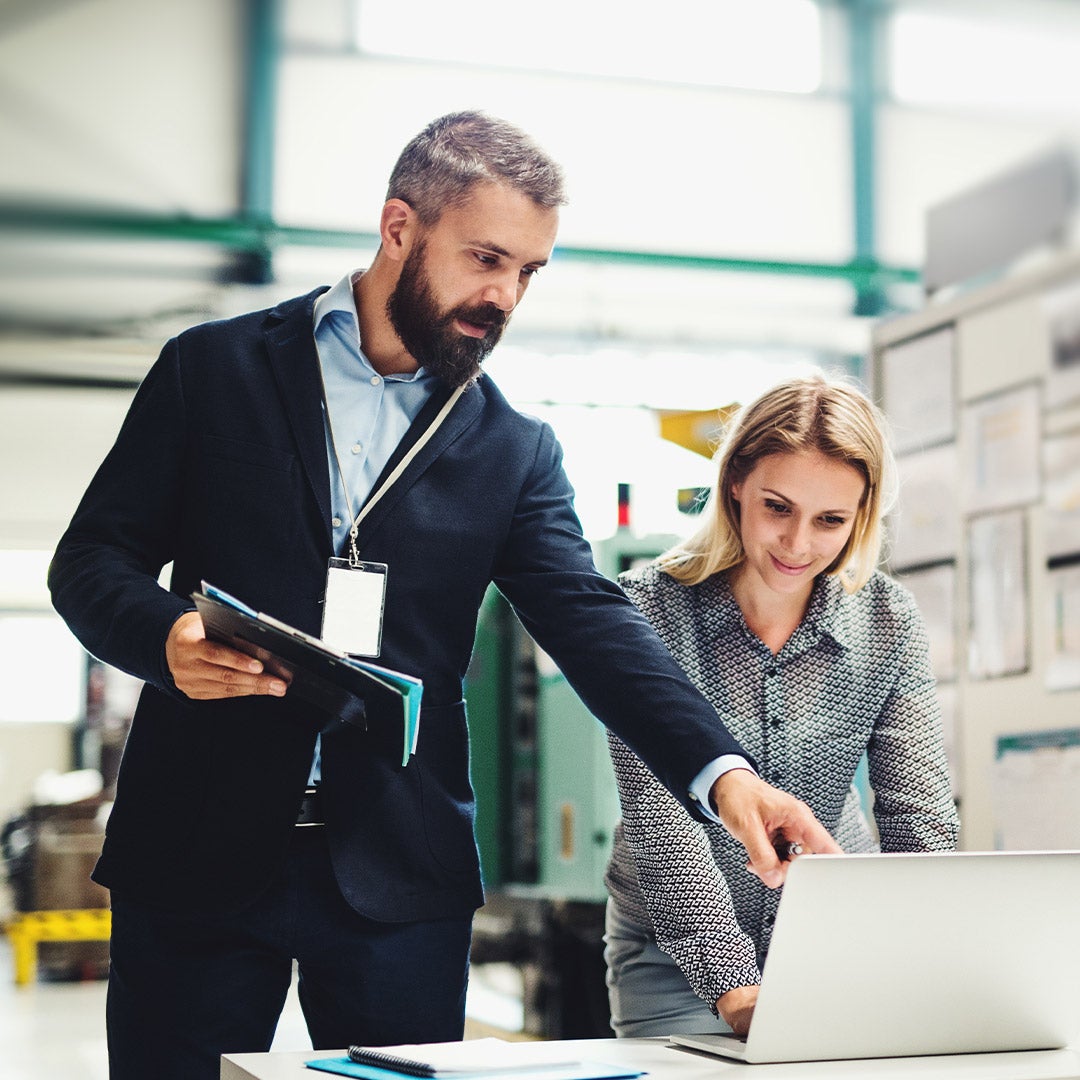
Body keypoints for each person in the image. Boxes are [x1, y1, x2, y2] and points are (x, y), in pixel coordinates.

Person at [48, 112, 836, 1080]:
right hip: (197, 849)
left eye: (528, 273)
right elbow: (89, 562)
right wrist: (163, 633)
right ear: (398, 228)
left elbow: (592, 625)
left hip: (398, 868)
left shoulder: (513, 448)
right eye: (486, 258)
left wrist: (725, 773)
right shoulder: (213, 372)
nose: (503, 295)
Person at [603, 372, 960, 1039]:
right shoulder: (645, 610)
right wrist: (739, 997)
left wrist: (930, 959)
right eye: (777, 507)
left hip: (833, 939)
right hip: (677, 953)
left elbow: (918, 813)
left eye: (830, 520)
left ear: (864, 514)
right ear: (735, 482)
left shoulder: (888, 620)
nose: (798, 544)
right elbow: (663, 828)